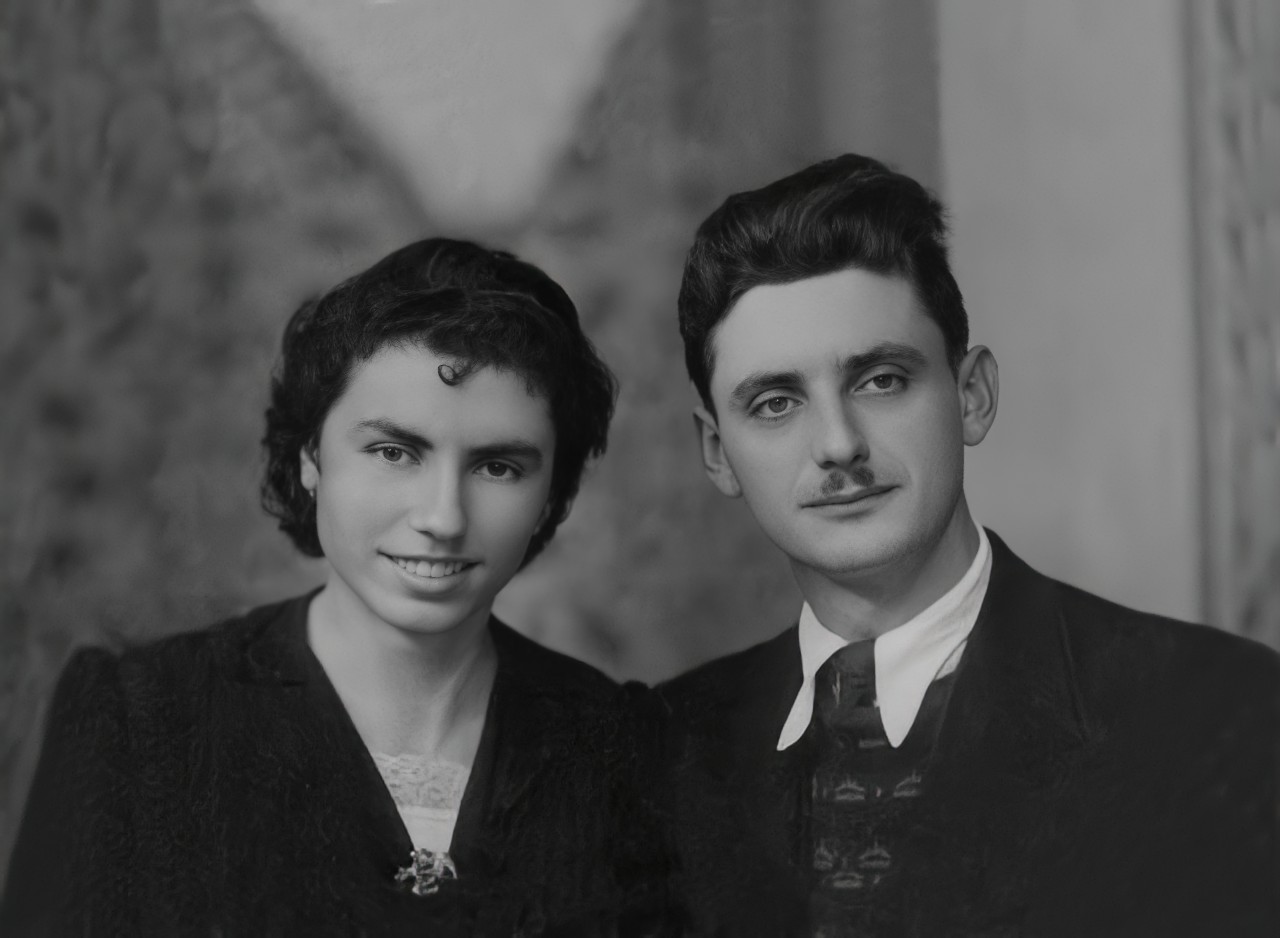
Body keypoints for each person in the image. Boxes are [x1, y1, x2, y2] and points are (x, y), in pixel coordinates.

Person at [659, 154, 1280, 936]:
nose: (838, 444)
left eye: (880, 379)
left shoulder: (1218, 711)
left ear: (972, 395)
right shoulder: (659, 751)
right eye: (776, 403)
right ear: (718, 452)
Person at [1, 238, 656, 935]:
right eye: (393, 452)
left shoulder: (625, 748)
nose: (443, 518)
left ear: (551, 495)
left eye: (497, 467)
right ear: (311, 457)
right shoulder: (139, 721)